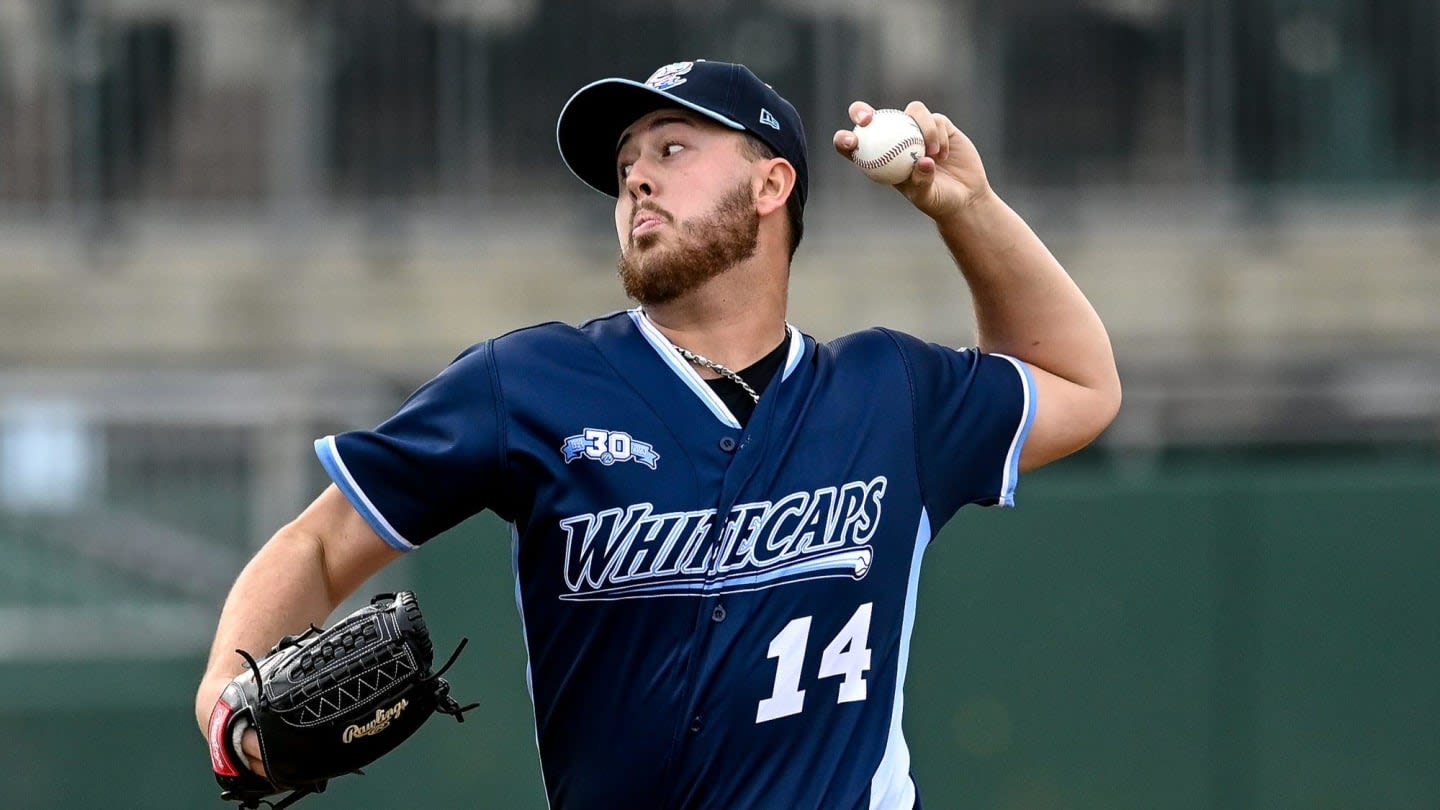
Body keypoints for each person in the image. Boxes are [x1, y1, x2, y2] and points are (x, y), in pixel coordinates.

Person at [195, 59, 1121, 809]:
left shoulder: (893, 393)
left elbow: (1082, 385)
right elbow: (318, 543)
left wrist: (968, 208)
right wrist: (223, 713)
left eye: (673, 147)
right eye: (627, 162)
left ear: (772, 184)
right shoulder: (530, 385)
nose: (636, 174)